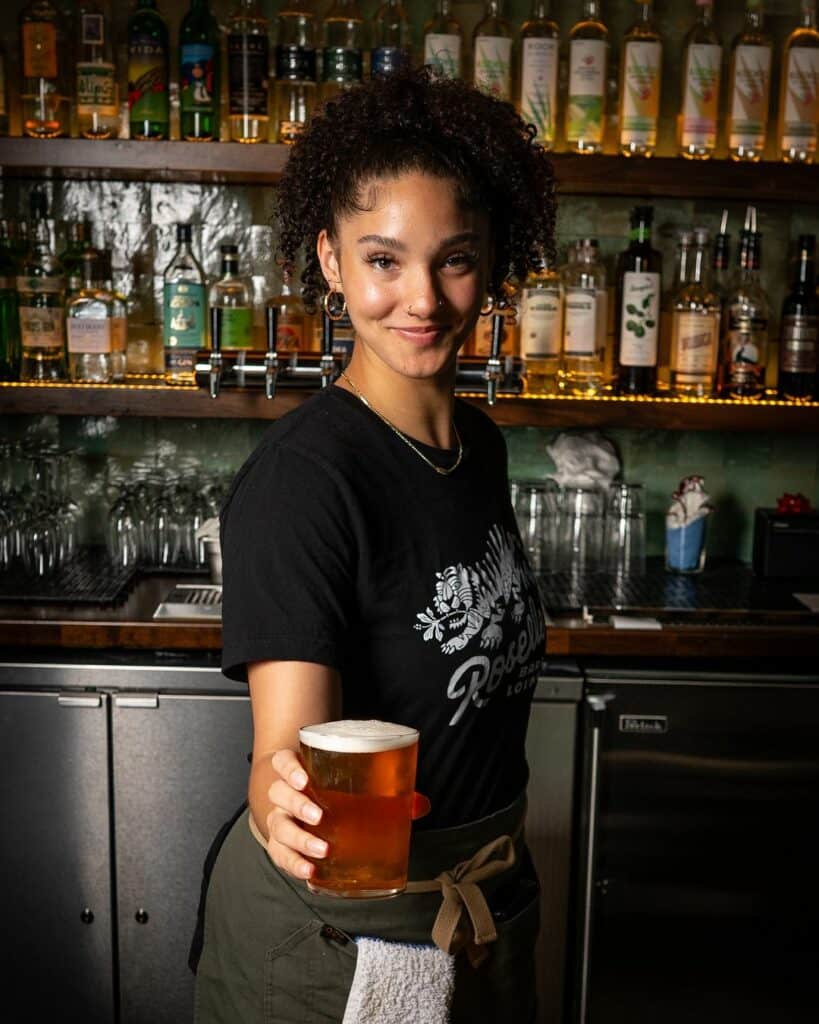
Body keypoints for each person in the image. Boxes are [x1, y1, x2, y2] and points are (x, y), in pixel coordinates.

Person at [193, 66, 556, 1023]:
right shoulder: (306, 478)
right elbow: (285, 753)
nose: (422, 299)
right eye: (384, 260)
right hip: (335, 943)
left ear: (495, 259)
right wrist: (288, 809)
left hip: (477, 903)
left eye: (455, 259)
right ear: (330, 260)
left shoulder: (478, 447)